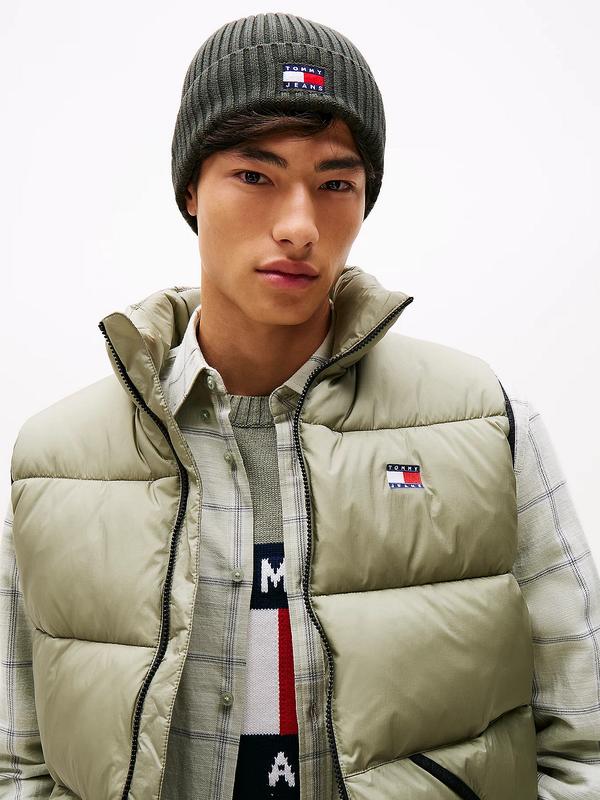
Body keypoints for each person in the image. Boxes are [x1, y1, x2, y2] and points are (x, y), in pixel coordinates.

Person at [1, 11, 598, 800]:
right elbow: (21, 765)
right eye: (256, 176)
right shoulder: (59, 464)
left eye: (335, 184)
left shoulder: (484, 424)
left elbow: (584, 743)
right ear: (191, 189)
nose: (298, 226)